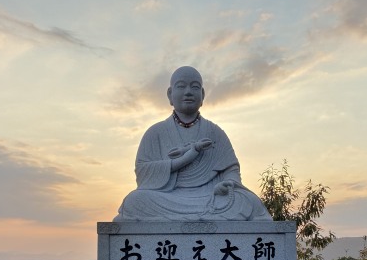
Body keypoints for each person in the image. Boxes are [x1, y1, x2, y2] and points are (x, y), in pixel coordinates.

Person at [114, 66, 272, 221]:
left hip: (210, 196)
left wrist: (227, 184)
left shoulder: (214, 132)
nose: (188, 92)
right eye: (181, 86)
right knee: (135, 200)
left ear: (202, 95)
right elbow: (143, 172)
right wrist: (176, 163)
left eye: (194, 87)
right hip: (167, 197)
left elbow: (231, 169)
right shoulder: (155, 133)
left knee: (246, 199)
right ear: (170, 94)